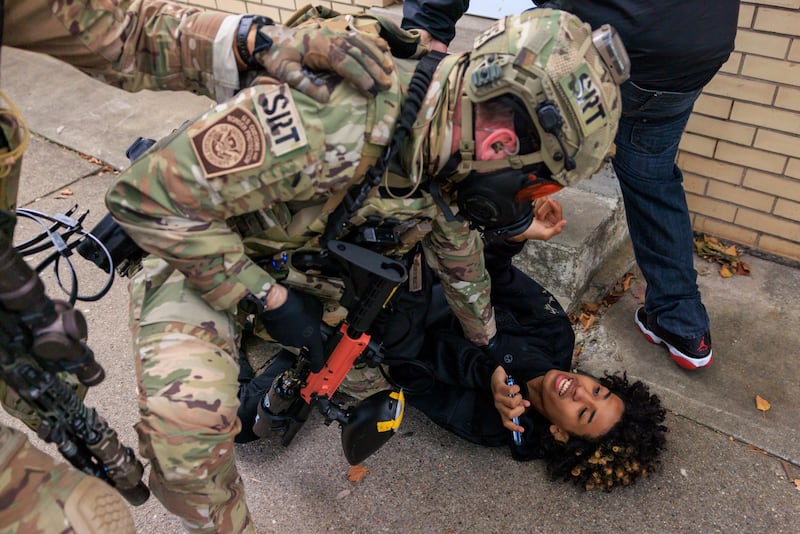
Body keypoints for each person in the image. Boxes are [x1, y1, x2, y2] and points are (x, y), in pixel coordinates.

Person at [104, 8, 628, 533]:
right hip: (195, 240)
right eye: (531, 181)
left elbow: (464, 268)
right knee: (193, 442)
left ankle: (254, 338)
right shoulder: (335, 115)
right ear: (500, 139)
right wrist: (272, 301)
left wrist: (491, 353)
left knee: (282, 399)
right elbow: (143, 201)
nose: (522, 196)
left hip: (317, 257)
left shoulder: (449, 152)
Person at [0, 1, 394, 532]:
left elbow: (108, 25)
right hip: (205, 254)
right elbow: (144, 199)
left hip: (271, 263)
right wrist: (266, 297)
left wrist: (249, 38)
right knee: (129, 486)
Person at [402, 0, 740, 370]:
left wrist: (428, 26)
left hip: (616, 35)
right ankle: (683, 322)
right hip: (698, 49)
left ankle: (492, 228)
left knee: (512, 139)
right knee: (652, 175)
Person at [392, 237, 667, 492]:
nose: (580, 391)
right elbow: (495, 273)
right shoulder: (556, 334)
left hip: (390, 303)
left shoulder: (486, 425)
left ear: (560, 434)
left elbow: (404, 365)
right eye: (598, 391)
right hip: (433, 260)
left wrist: (484, 374)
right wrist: (513, 235)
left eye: (584, 412)